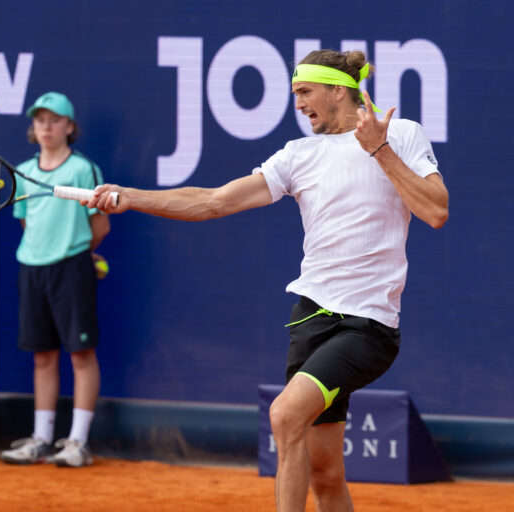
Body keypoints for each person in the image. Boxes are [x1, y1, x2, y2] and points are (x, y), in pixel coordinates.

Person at [88, 50, 448, 510]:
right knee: (326, 474)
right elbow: (213, 202)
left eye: (305, 92)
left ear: (338, 89)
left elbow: (435, 211)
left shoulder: (401, 134)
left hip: (367, 325)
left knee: (283, 414)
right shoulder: (299, 155)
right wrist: (133, 197)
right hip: (309, 321)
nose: (298, 104)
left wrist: (379, 149)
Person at [0, 91, 110, 468]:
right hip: (32, 270)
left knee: (80, 354)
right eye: (40, 119)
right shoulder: (21, 172)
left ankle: (77, 442)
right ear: (33, 127)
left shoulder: (83, 170)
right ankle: (42, 439)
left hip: (72, 269)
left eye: (54, 119)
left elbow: (101, 224)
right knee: (43, 357)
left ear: (69, 126)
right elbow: (28, 224)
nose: (46, 126)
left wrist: (77, 251)